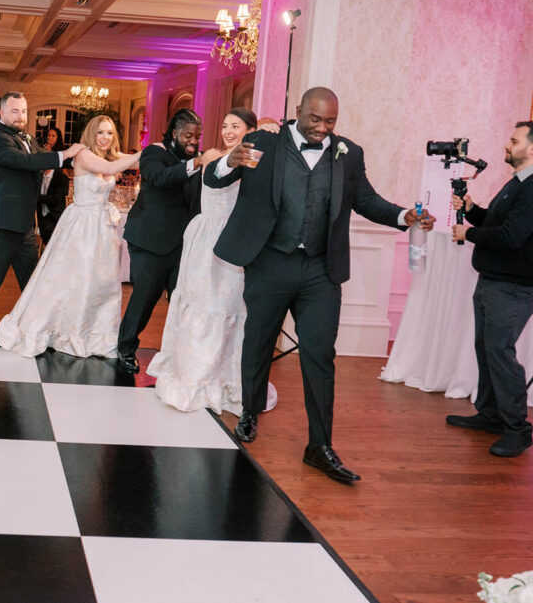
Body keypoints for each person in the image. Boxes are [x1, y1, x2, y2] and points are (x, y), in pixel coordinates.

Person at [206, 86, 433, 484]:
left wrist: (403, 217)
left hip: (320, 271)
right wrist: (229, 160)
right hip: (270, 261)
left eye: (330, 122)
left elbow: (367, 200)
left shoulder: (349, 153)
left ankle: (320, 445)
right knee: (258, 342)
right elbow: (214, 179)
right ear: (298, 111)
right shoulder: (263, 143)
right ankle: (249, 412)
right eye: (315, 119)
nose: (322, 128)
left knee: (320, 355)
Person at [149, 109, 279, 414]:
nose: (228, 131)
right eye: (224, 125)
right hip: (205, 241)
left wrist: (270, 131)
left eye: (236, 126)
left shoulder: (255, 160)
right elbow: (214, 175)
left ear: (250, 130)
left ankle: (226, 379)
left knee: (230, 307)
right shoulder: (212, 155)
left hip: (236, 240)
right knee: (201, 304)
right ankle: (194, 374)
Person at [0, 116, 140, 357]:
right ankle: (66, 330)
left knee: (100, 282)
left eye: (109, 133)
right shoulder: (83, 155)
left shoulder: (109, 156)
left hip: (102, 228)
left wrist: (157, 153)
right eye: (100, 132)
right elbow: (110, 169)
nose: (105, 137)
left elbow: (133, 163)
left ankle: (94, 332)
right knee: (74, 277)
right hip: (82, 226)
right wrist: (142, 154)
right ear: (91, 133)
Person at [0, 92, 85, 347]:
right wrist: (66, 153)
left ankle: (38, 328)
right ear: (2, 113)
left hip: (23, 224)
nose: (20, 116)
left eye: (23, 111)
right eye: (14, 111)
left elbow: (39, 159)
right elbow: (25, 161)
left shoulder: (28, 138)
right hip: (1, 221)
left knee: (33, 279)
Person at [447, 121, 533, 458]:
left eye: (514, 140)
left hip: (512, 287)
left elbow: (511, 237)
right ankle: (491, 415)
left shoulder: (531, 188)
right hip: (492, 281)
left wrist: (466, 234)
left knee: (499, 352)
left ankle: (518, 429)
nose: (507, 145)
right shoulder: (516, 183)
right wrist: (471, 210)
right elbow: (496, 224)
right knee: (486, 349)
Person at [115, 108, 205, 373]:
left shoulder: (196, 159)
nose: (193, 141)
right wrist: (196, 164)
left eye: (197, 137)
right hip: (149, 240)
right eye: (188, 136)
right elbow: (159, 178)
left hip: (181, 243)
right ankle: (125, 346)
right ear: (174, 133)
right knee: (146, 296)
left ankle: (178, 354)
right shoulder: (154, 152)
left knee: (182, 300)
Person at [37, 126, 68, 245]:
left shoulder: (60, 172)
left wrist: (36, 197)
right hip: (41, 215)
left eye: (53, 136)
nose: (50, 138)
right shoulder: (39, 174)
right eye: (49, 135)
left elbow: (56, 199)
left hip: (55, 215)